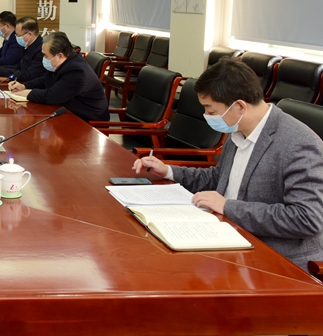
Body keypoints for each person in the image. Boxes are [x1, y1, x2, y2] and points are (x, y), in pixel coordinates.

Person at [133, 58, 323, 269]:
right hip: (230, 234)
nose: (206, 116)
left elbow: (306, 219)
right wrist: (168, 171)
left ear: (240, 106)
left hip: (278, 259)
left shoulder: (298, 144)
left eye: (211, 111)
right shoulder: (240, 129)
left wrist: (227, 207)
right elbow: (219, 178)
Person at [10, 32, 109, 122]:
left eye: (45, 56)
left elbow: (52, 96)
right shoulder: (60, 63)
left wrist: (27, 93)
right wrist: (24, 86)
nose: (43, 59)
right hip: (68, 112)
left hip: (87, 121)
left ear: (60, 56)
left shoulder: (76, 71)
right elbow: (44, 80)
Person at [0, 16, 45, 83]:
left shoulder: (41, 49)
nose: (16, 38)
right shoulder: (28, 46)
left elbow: (28, 75)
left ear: (29, 34)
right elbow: (20, 67)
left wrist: (0, 71)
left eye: (18, 35)